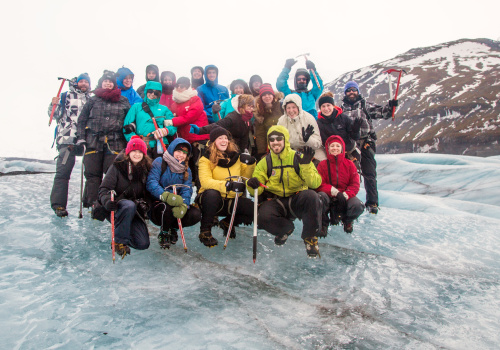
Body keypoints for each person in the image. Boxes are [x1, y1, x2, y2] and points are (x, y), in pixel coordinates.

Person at [246, 126, 323, 258]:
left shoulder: (298, 157)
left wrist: (305, 166)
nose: (275, 142)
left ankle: (310, 238)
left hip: (297, 199)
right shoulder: (265, 162)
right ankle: (285, 229)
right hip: (277, 201)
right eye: (272, 139)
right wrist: (252, 185)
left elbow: (315, 183)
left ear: (285, 140)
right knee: (262, 217)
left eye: (279, 138)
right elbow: (256, 192)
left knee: (312, 196)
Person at [339, 81, 398, 214]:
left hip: (366, 142)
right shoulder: (341, 109)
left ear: (358, 91)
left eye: (354, 90)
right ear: (345, 93)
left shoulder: (365, 105)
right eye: (349, 90)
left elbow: (383, 113)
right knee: (347, 174)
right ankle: (347, 202)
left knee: (369, 173)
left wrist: (391, 106)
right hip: (349, 146)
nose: (351, 92)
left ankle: (372, 203)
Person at [76, 70, 130, 208]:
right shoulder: (92, 100)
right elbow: (82, 121)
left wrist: (131, 130)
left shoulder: (123, 101)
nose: (108, 83)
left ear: (114, 84)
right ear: (101, 82)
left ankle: (111, 203)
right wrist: (81, 138)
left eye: (110, 81)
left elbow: (129, 120)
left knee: (112, 175)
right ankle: (94, 204)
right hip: (93, 142)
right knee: (93, 175)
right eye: (105, 81)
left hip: (115, 143)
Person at [196, 127, 256, 247]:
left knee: (252, 208)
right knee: (212, 194)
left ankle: (228, 222)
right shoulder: (205, 159)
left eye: (225, 138)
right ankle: (205, 231)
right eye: (220, 138)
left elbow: (244, 178)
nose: (224, 141)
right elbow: (206, 182)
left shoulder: (237, 157)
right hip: (211, 201)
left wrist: (251, 163)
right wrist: (228, 185)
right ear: (213, 142)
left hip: (232, 200)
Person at [98, 136, 153, 258]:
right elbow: (103, 189)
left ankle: (123, 230)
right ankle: (119, 241)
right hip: (118, 208)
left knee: (142, 244)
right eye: (134, 151)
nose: (137, 154)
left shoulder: (146, 169)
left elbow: (149, 192)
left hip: (135, 211)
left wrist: (147, 205)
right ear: (128, 152)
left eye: (140, 152)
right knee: (128, 205)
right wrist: (107, 201)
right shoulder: (118, 166)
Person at [48, 73, 91, 217]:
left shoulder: (91, 99)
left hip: (85, 139)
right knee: (63, 173)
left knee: (91, 173)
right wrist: (53, 104)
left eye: (86, 82)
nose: (84, 84)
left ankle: (89, 203)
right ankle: (59, 205)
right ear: (76, 83)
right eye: (81, 81)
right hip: (67, 139)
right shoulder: (66, 96)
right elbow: (54, 115)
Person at [146, 138, 201, 249]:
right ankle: (164, 232)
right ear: (172, 150)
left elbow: (187, 189)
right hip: (159, 203)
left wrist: (184, 204)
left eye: (184, 153)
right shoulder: (160, 162)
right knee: (167, 208)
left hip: (177, 202)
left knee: (195, 214)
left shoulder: (186, 169)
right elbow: (151, 183)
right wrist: (165, 195)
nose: (181, 155)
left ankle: (174, 228)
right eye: (179, 151)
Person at [165, 77, 210, 186]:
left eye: (183, 86)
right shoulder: (174, 102)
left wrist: (173, 121)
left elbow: (190, 117)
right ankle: (187, 188)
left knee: (199, 166)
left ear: (188, 87)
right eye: (178, 86)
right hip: (185, 139)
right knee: (186, 167)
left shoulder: (195, 99)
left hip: (198, 139)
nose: (180, 88)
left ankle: (201, 191)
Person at [316, 135, 364, 236]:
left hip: (346, 196)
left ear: (342, 148)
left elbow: (355, 184)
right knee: (319, 198)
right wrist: (335, 192)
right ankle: (323, 223)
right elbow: (320, 184)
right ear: (328, 148)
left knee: (357, 205)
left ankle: (347, 220)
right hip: (329, 195)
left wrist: (345, 195)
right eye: (332, 146)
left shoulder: (350, 164)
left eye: (338, 146)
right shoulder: (322, 165)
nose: (335, 148)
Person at [122, 81, 176, 159]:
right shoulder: (136, 107)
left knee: (159, 168)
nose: (152, 94)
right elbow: (126, 127)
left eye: (156, 93)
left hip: (160, 144)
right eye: (150, 91)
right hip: (141, 145)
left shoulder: (164, 109)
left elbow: (173, 125)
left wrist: (165, 131)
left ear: (159, 95)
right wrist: (133, 139)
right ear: (146, 91)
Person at [316, 91, 362, 167]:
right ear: (320, 108)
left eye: (328, 105)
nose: (326, 108)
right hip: (331, 157)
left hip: (349, 153)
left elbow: (355, 137)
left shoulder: (343, 118)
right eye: (323, 106)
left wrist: (356, 130)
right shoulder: (318, 123)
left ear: (333, 106)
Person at [277, 94, 326, 162]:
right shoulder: (281, 121)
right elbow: (278, 141)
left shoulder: (309, 118)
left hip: (310, 150)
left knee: (323, 163)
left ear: (298, 107)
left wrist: (307, 139)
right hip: (291, 151)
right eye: (288, 108)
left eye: (294, 107)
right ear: (285, 109)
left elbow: (318, 144)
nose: (291, 111)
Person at [253, 83, 284, 159]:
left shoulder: (281, 106)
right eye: (264, 95)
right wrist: (262, 152)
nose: (267, 96)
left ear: (273, 95)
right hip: (270, 144)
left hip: (284, 141)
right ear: (261, 97)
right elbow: (260, 133)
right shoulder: (259, 111)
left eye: (269, 94)